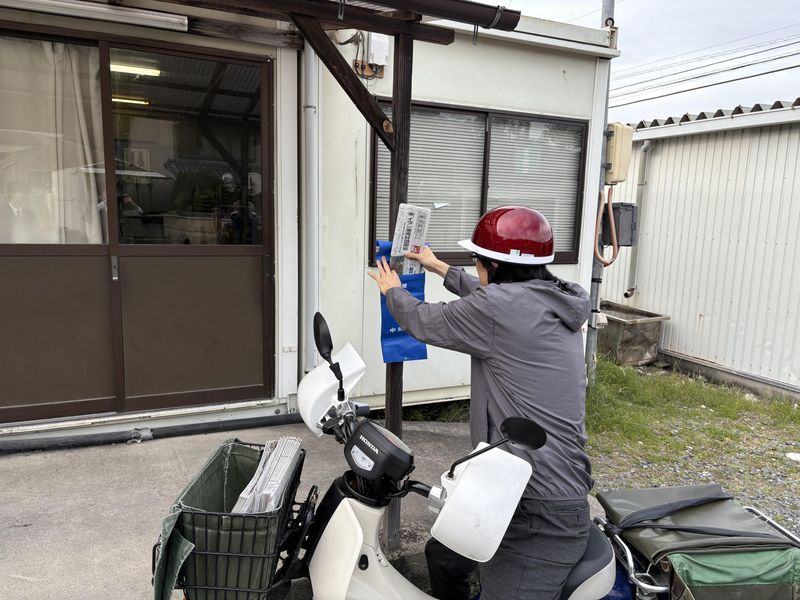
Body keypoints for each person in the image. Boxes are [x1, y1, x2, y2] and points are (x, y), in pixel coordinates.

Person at [368, 206, 593, 600]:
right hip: (511, 483)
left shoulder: (498, 307)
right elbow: (492, 297)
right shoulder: (548, 298)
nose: (475, 266)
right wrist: (438, 267)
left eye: (476, 259)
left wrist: (392, 290)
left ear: (494, 265)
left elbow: (423, 320)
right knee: (444, 557)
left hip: (540, 508)